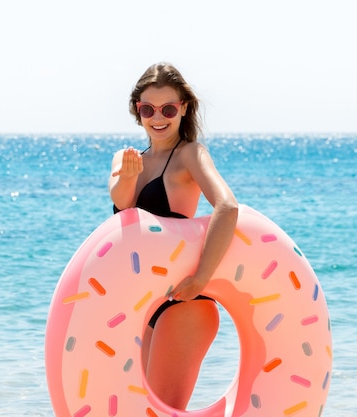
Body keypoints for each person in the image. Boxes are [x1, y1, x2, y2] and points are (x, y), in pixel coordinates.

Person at [108, 63, 238, 410]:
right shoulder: (127, 159)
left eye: (168, 108)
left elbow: (227, 207)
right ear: (138, 109)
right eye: (148, 109)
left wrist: (201, 278)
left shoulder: (190, 156)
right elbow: (122, 204)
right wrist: (128, 175)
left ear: (183, 108)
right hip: (145, 306)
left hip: (183, 304)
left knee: (160, 411)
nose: (158, 117)